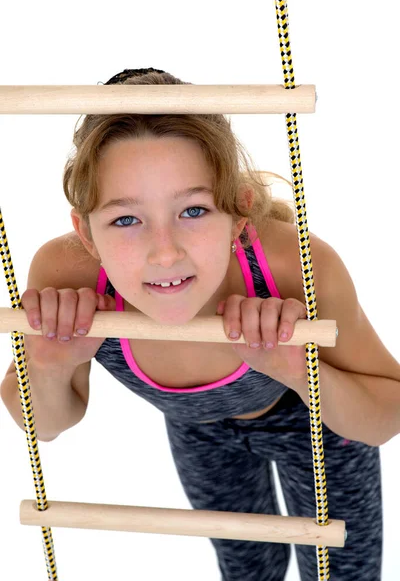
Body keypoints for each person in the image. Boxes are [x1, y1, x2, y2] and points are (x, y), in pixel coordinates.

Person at [1, 68, 399, 581]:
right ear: (86, 232)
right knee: (246, 569)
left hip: (312, 422)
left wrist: (297, 369)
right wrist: (51, 362)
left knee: (342, 572)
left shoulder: (292, 265)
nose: (165, 252)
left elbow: (388, 414)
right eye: (126, 219)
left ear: (240, 213)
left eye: (193, 210)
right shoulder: (68, 274)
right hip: (200, 433)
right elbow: (47, 425)